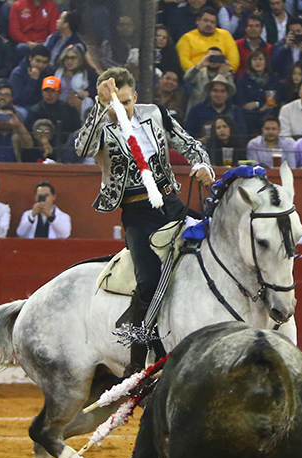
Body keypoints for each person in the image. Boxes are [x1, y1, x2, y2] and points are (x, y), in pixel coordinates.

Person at [74, 66, 213, 373]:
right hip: (137, 214)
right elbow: (81, 148)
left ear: (134, 97)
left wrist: (205, 167)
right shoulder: (101, 125)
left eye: (124, 102)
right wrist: (99, 106)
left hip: (171, 205)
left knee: (216, 250)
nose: (119, 110)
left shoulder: (155, 114)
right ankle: (137, 361)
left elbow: (190, 145)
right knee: (148, 280)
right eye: (112, 103)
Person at [176, 8, 240, 73]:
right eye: (206, 20)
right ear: (198, 21)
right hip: (196, 76)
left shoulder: (225, 35)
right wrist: (197, 72)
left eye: (212, 22)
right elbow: (183, 60)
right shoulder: (187, 38)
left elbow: (233, 58)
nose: (209, 24)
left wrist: (228, 71)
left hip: (222, 75)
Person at [185, 73, 248, 138]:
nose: (219, 94)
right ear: (210, 92)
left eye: (222, 91)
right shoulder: (196, 111)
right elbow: (188, 134)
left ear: (227, 94)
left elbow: (242, 135)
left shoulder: (236, 111)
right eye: (215, 91)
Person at [24, 75, 82, 144]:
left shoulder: (70, 109)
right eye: (46, 91)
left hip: (66, 147)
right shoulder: (35, 111)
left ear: (59, 92)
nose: (49, 94)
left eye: (53, 91)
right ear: (42, 92)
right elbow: (29, 133)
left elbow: (77, 131)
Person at [55, 44, 97, 121]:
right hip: (58, 107)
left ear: (80, 59)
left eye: (73, 58)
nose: (69, 61)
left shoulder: (89, 73)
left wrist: (88, 93)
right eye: (66, 58)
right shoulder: (56, 72)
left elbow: (98, 86)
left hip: (79, 108)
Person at [8, 45, 51, 109]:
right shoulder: (18, 73)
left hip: (42, 107)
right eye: (38, 61)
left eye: (45, 62)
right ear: (30, 58)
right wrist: (33, 80)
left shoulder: (49, 72)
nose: (41, 65)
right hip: (23, 107)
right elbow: (19, 100)